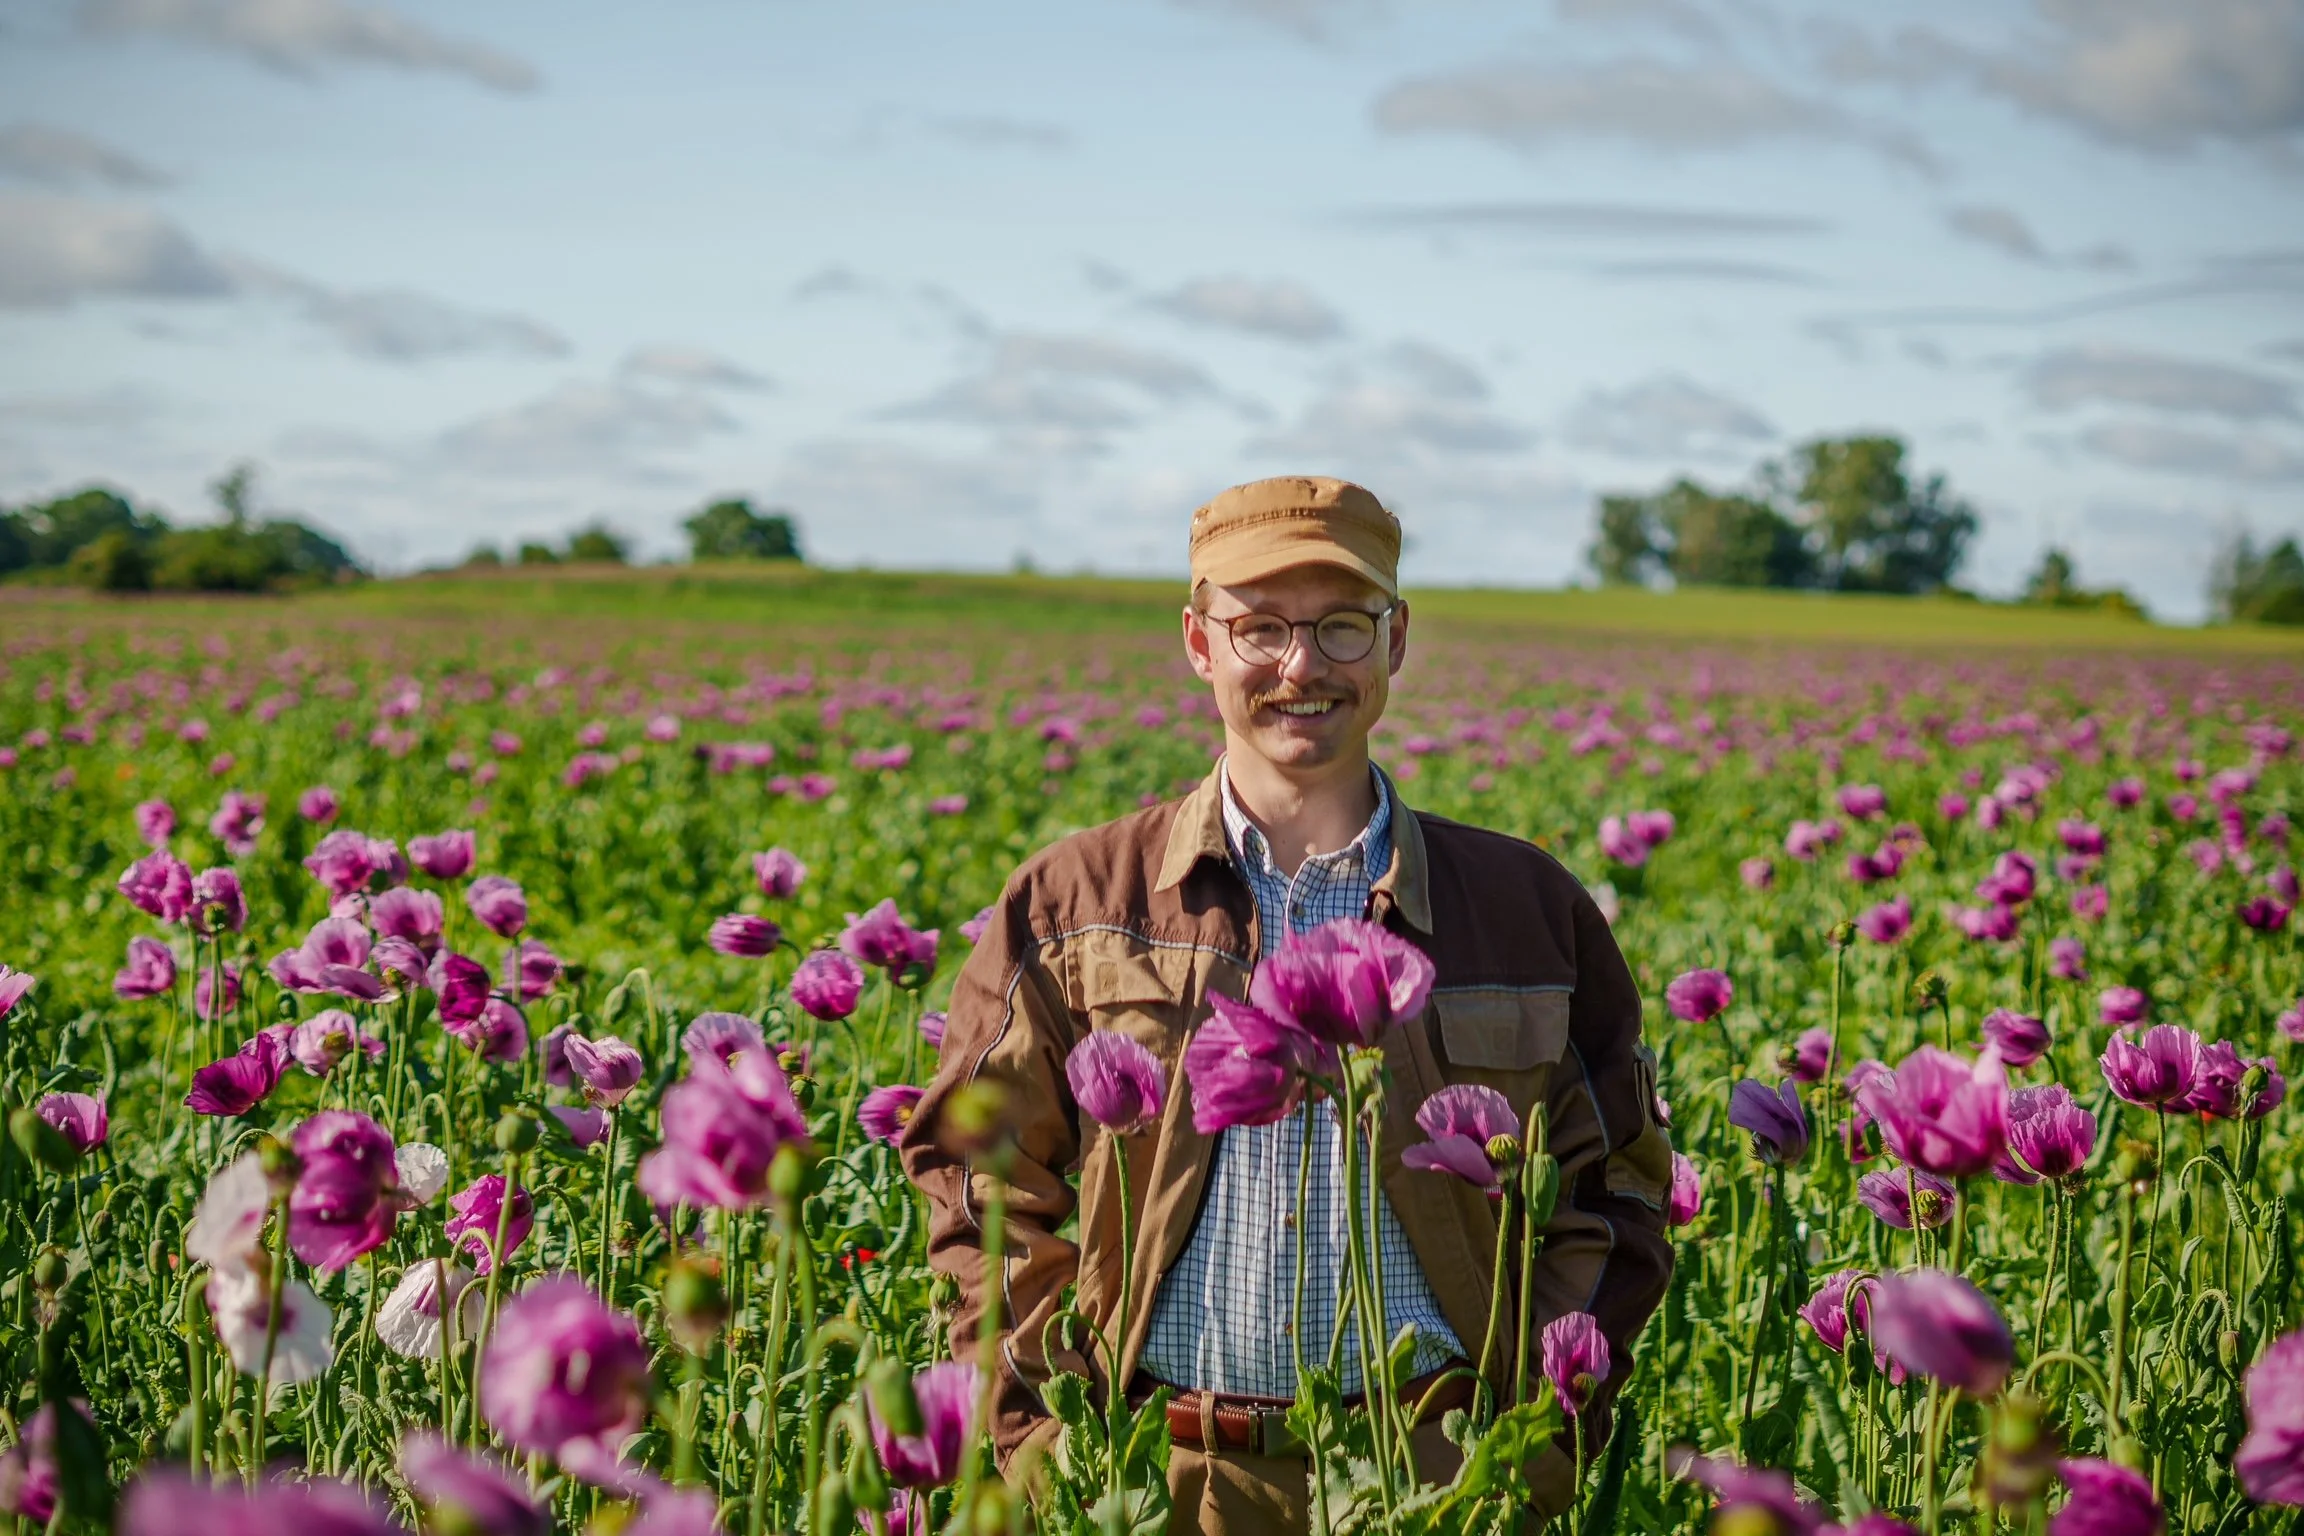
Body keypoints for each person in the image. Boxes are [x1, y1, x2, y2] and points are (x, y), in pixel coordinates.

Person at [902, 476, 1673, 1531]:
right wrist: (1042, 1435)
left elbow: (1619, 1184)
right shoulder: (1076, 900)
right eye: (1258, 626)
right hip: (1157, 1481)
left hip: (1439, 1480)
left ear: (1396, 642)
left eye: (1342, 626)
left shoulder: (1524, 908)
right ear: (1198, 642)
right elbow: (974, 1177)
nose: (1301, 666)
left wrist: (1536, 1433)